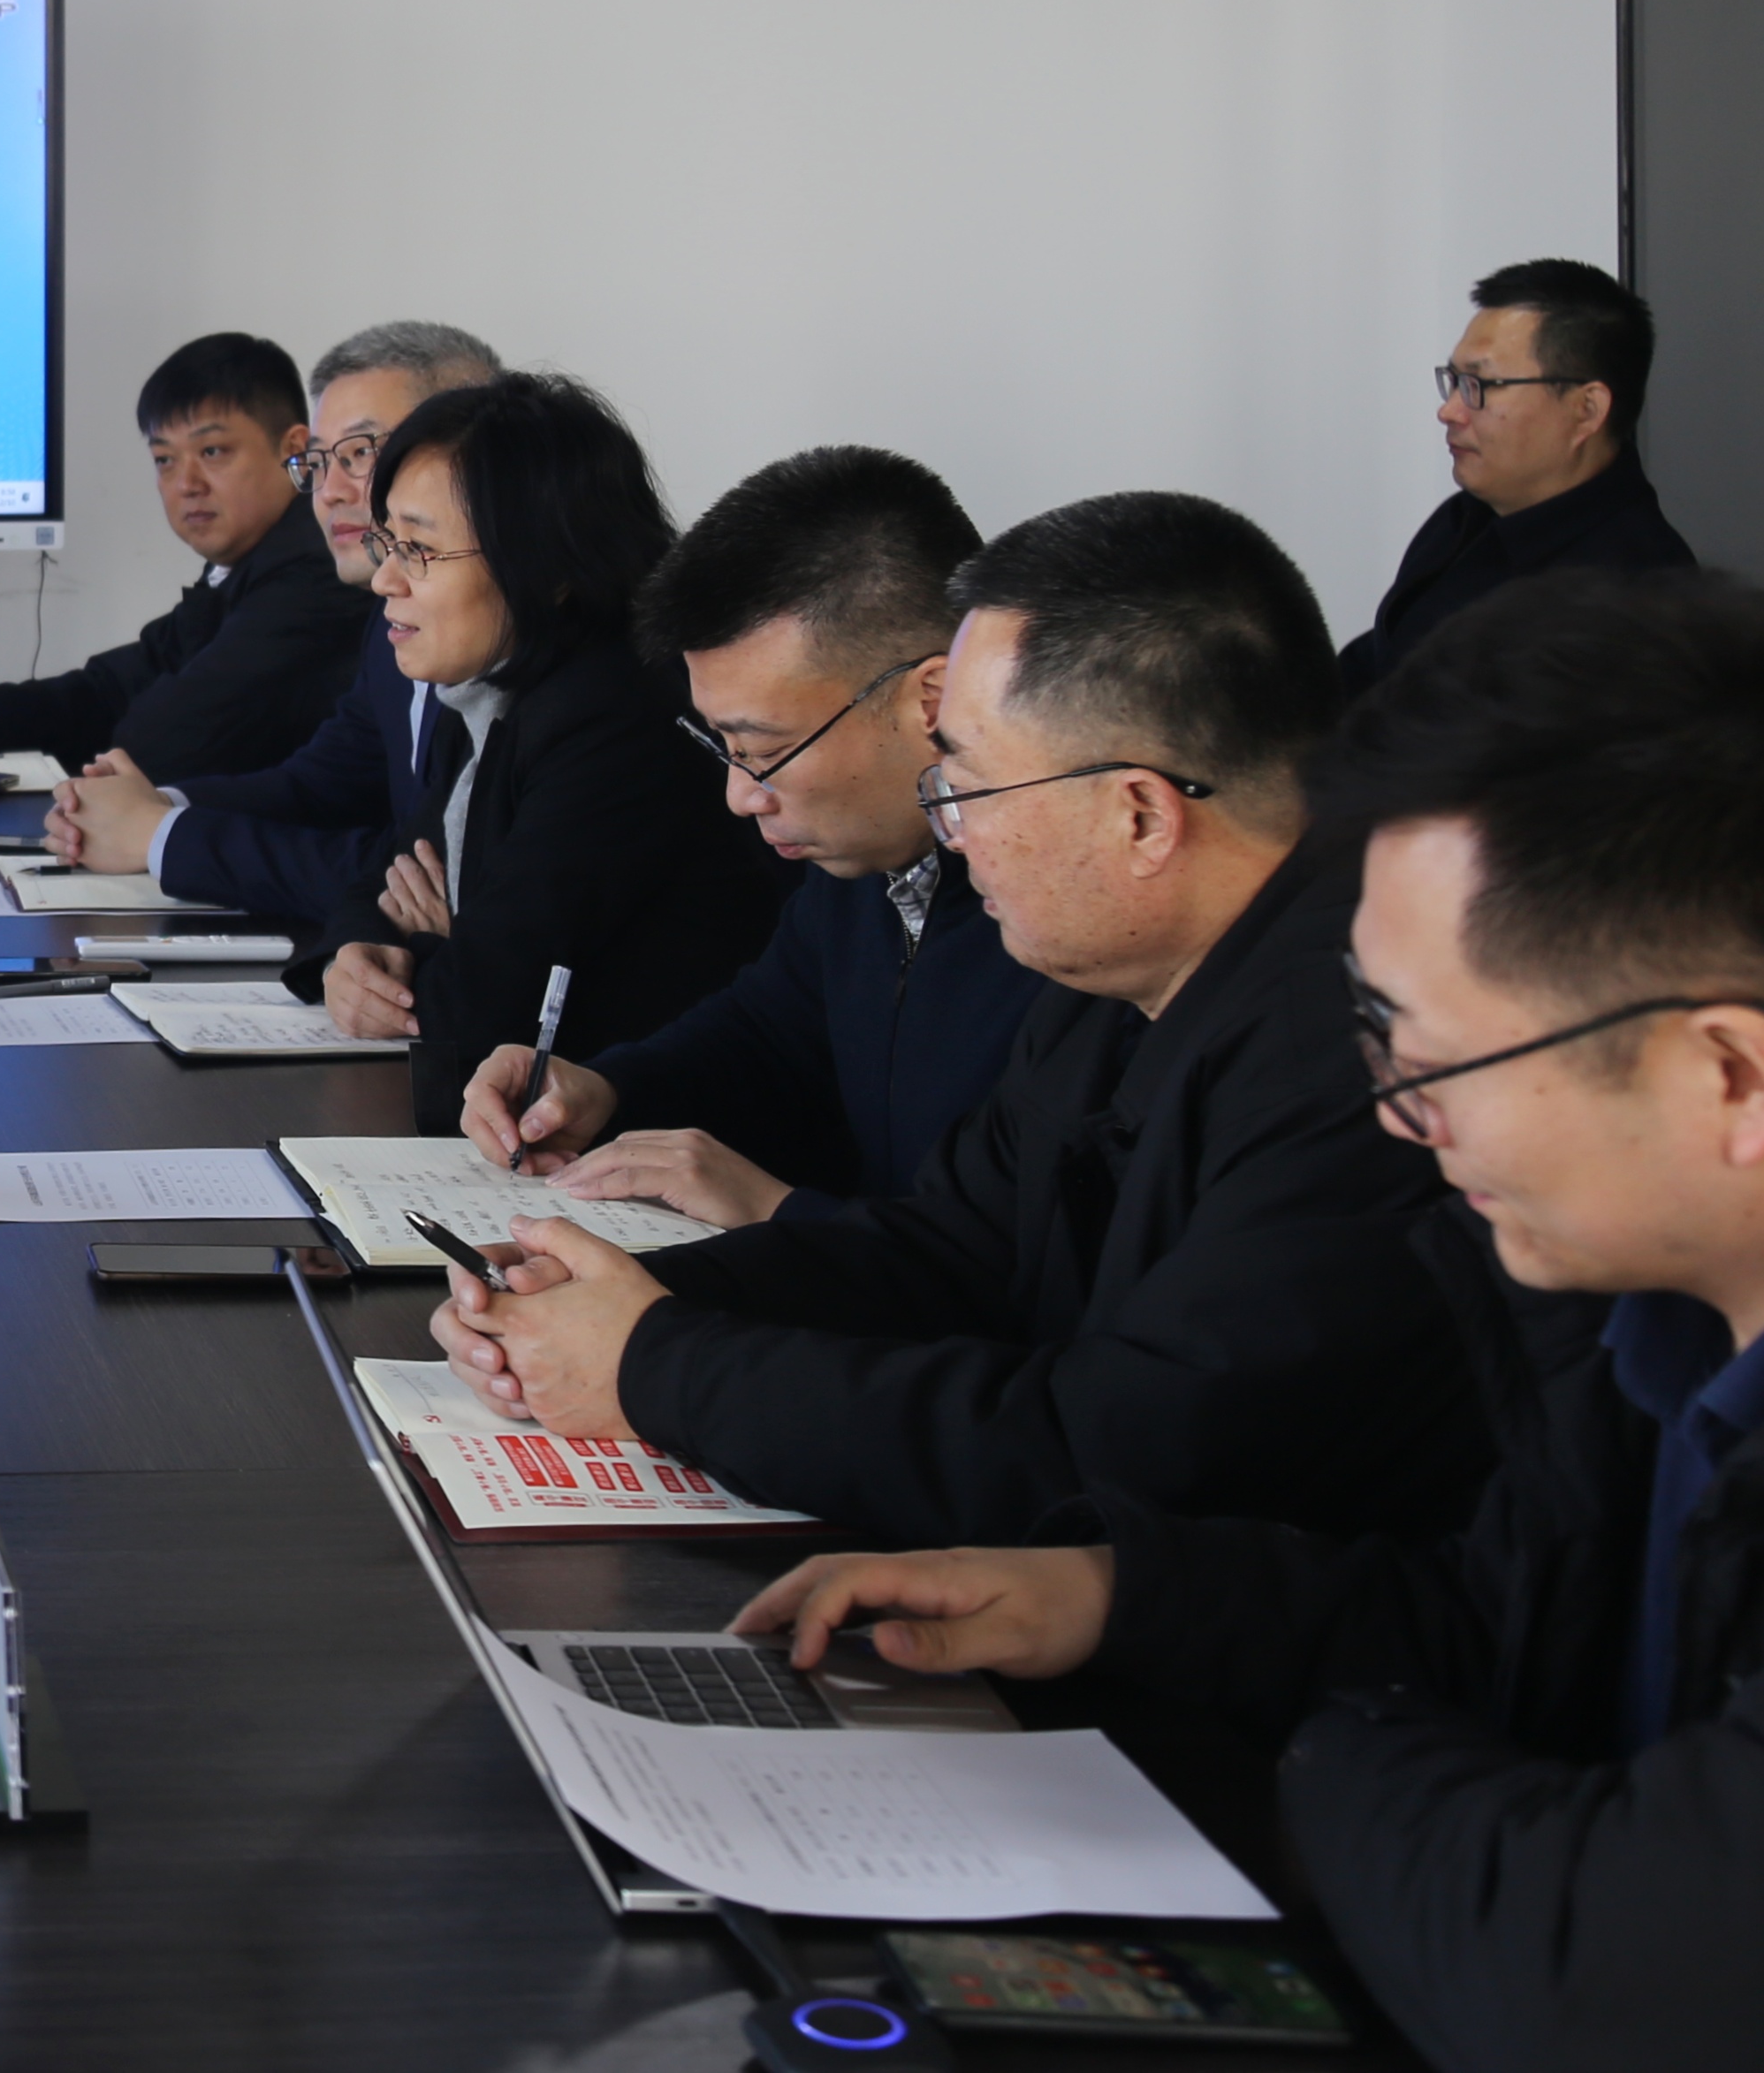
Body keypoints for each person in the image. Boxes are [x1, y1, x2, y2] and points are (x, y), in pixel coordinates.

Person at [737, 573, 1764, 2073]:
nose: (1397, 1116)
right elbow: (1505, 1621)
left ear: (1726, 1076)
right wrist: (1118, 1594)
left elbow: (1586, 1974)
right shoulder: (1633, 1326)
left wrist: (1333, 1753)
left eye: (1427, 1055)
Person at [436, 492, 1491, 1545]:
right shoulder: (1111, 982)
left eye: (968, 786)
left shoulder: (1366, 1054)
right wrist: (607, 1296)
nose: (950, 831)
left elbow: (1130, 1445)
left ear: (1138, 814)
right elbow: (956, 1251)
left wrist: (655, 1364)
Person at [456, 446, 1044, 1220]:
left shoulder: (1061, 921)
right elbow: (767, 1032)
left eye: (766, 752)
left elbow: (1020, 1256)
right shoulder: (860, 865)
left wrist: (774, 1211)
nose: (740, 795)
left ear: (930, 700)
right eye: (722, 748)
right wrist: (605, 1089)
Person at [304, 373, 793, 1110]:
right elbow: (388, 872)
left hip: (653, 1134)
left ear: (550, 567)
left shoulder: (617, 717)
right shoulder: (488, 687)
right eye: (386, 542)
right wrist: (354, 953)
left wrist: (437, 947)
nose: (385, 581)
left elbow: (481, 1015)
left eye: (419, 550)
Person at [43, 321, 504, 926]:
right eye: (320, 460)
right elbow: (320, 786)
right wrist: (152, 806)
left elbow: (436, 881)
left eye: (361, 453)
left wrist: (160, 835)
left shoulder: (518, 642)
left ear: (475, 457)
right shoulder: (388, 611)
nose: (328, 491)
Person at [0, 332, 364, 781]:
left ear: (295, 450)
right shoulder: (243, 566)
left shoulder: (319, 573)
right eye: (164, 460)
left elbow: (171, 742)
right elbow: (118, 685)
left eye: (212, 452)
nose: (186, 484)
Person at [1338, 258, 1692, 695]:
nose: (1449, 410)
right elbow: (1379, 666)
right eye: (1454, 381)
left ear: (1586, 410)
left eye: (1479, 386)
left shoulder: (1634, 600)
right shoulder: (1467, 516)